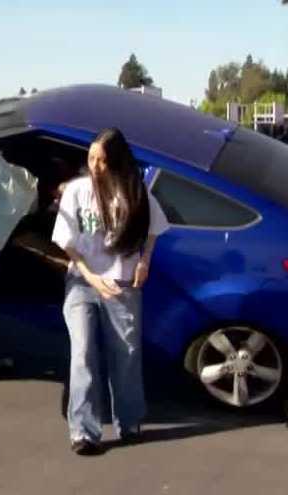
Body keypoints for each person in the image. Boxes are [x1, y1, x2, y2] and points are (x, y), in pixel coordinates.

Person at [51, 127, 169, 455]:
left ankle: (129, 422)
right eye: (91, 158)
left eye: (102, 160)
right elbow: (67, 243)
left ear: (115, 160)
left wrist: (145, 261)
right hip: (82, 282)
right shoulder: (77, 191)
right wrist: (89, 276)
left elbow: (154, 229)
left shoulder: (134, 192)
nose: (95, 166)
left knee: (126, 356)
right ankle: (83, 432)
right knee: (83, 352)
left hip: (123, 284)